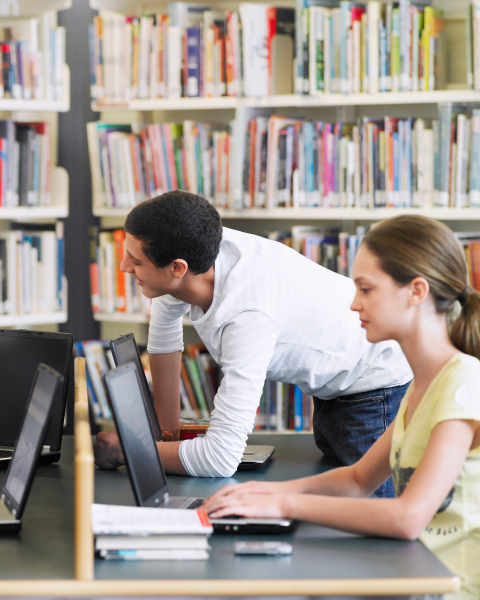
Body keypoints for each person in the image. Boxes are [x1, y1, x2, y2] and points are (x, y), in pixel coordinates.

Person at [203, 215, 480, 599]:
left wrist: (286, 504)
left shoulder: (462, 385)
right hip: (417, 573)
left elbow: (408, 518)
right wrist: (264, 495)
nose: (353, 304)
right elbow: (356, 480)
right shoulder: (424, 383)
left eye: (366, 289)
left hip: (449, 589)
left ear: (416, 291)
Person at [94, 191, 412, 498]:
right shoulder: (196, 247)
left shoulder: (247, 316)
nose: (123, 267)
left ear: (178, 268)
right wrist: (164, 432)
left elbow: (220, 457)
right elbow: (164, 332)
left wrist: (130, 450)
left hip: (374, 385)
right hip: (332, 385)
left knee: (380, 518)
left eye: (135, 261)